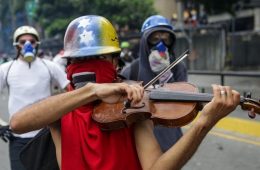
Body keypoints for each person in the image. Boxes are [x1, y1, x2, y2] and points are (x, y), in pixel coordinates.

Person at [9, 15, 240, 170]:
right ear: (68, 64)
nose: (88, 65)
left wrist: (203, 124)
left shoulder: (132, 102)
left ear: (115, 61)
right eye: (79, 60)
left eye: (99, 58)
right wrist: (92, 90)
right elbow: (18, 123)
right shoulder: (61, 106)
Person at [0, 25, 70, 170]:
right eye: (22, 41)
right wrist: (0, 124)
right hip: (18, 140)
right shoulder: (5, 69)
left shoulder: (50, 67)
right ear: (16, 45)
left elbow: (71, 91)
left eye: (31, 41)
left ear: (37, 44)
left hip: (46, 137)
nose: (27, 45)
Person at [121, 15, 187, 151]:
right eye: (155, 39)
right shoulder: (132, 69)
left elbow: (182, 106)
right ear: (145, 41)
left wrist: (166, 75)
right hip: (140, 139)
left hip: (170, 137)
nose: (160, 44)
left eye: (165, 39)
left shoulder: (178, 67)